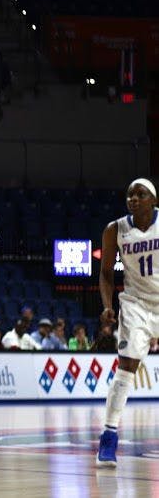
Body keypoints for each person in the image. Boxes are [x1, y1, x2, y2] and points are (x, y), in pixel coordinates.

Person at [97, 178, 159, 467]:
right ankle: (109, 436)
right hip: (135, 303)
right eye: (130, 194)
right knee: (126, 369)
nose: (134, 198)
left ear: (153, 200)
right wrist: (108, 306)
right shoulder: (115, 229)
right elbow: (107, 273)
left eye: (141, 194)